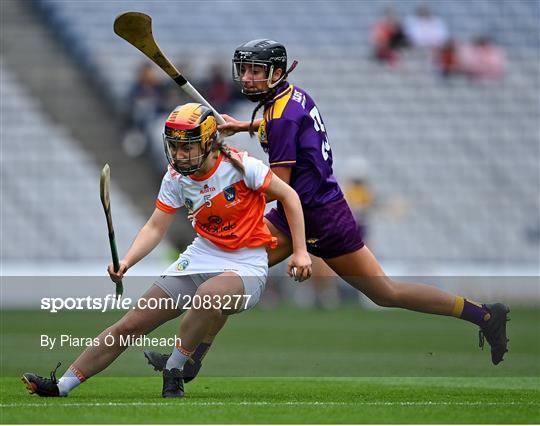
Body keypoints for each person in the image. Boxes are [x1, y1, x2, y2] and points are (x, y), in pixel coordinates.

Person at [145, 39, 510, 380]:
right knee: (228, 275)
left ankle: (485, 314)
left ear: (276, 72)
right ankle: (188, 360)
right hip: (313, 207)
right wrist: (243, 125)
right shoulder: (290, 98)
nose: (247, 77)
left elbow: (278, 185)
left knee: (386, 293)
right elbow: (278, 126)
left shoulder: (281, 115)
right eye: (245, 70)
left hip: (315, 214)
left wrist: (228, 182)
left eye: (256, 70)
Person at [21, 102, 312, 398]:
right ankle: (62, 386)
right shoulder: (176, 177)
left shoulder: (241, 166)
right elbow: (155, 227)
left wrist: (300, 251)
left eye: (187, 147)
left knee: (208, 297)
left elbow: (289, 196)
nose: (178, 155)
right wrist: (127, 261)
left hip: (247, 265)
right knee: (131, 324)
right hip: (201, 257)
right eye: (174, 147)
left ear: (209, 142)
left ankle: (174, 370)